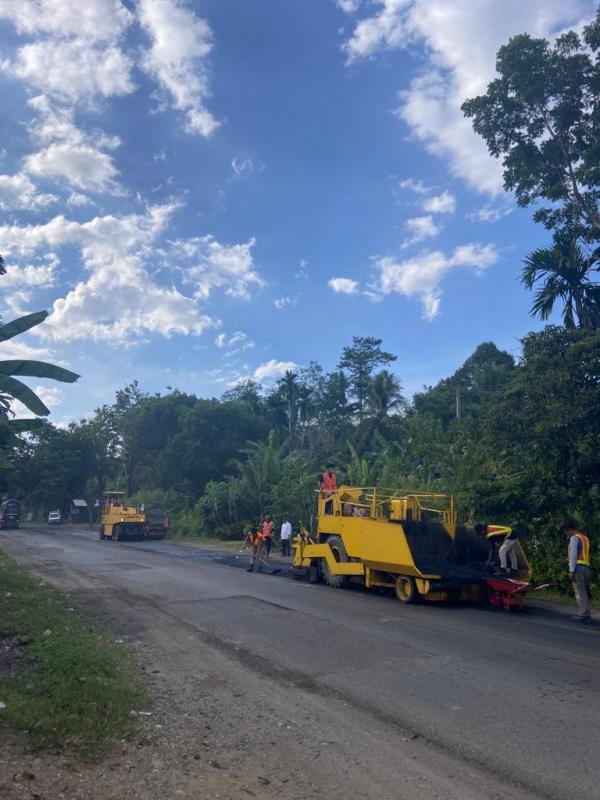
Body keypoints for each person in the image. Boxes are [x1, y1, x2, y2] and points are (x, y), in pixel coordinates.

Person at [563, 521, 592, 623]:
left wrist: (571, 571)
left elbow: (573, 555)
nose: (566, 535)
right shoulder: (585, 538)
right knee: (583, 591)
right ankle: (585, 613)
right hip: (585, 568)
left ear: (570, 530)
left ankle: (584, 615)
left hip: (578, 568)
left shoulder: (574, 538)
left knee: (580, 592)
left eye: (566, 532)